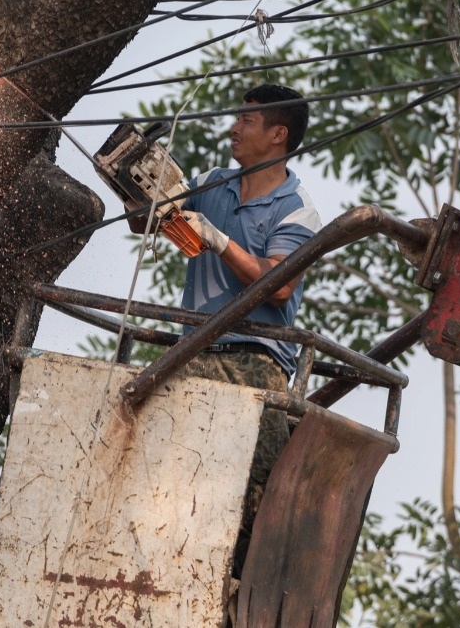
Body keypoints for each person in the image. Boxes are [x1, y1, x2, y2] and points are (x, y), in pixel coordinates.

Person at [129, 84, 321, 577]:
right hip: (195, 349)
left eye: (246, 121)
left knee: (252, 494)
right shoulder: (211, 183)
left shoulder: (296, 209)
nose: (233, 128)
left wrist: (218, 240)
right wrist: (140, 182)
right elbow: (145, 221)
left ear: (278, 134)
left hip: (255, 363)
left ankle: (237, 588)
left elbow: (278, 287)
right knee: (153, 469)